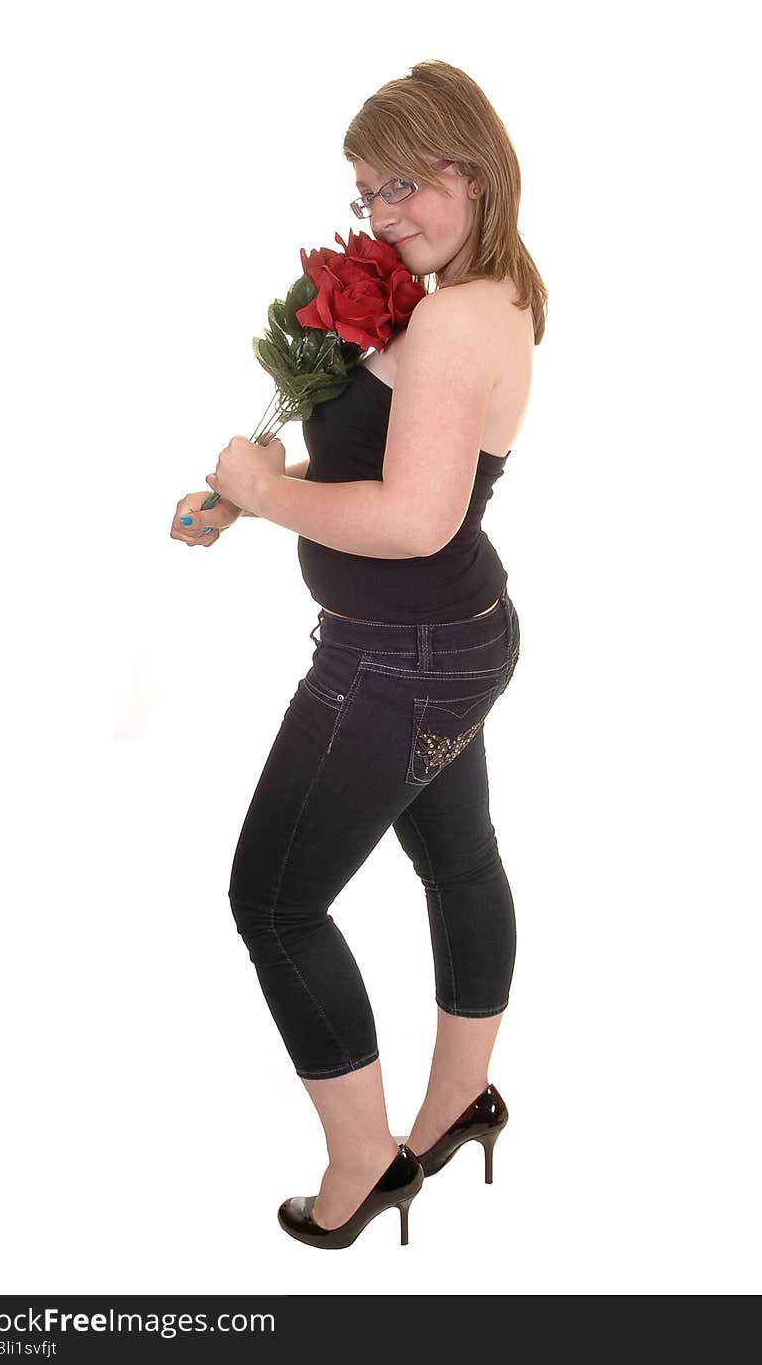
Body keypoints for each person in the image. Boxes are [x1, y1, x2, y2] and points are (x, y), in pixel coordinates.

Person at [171, 60, 548, 1248]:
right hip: (454, 640)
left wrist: (264, 500)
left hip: (395, 660)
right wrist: (257, 487)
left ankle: (361, 1166)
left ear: (470, 171)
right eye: (365, 191)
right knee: (460, 863)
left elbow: (412, 519)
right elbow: (388, 464)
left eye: (404, 183)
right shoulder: (493, 294)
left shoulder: (448, 321)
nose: (382, 213)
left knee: (274, 904)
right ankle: (458, 1103)